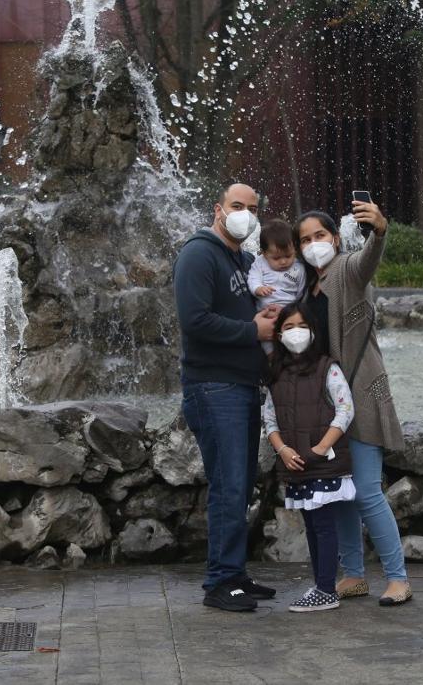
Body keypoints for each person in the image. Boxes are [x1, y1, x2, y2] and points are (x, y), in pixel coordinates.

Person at [295, 202, 412, 606]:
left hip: (359, 394)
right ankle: (355, 574)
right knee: (340, 490)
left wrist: (380, 231)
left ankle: (397, 577)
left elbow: (368, 261)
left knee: (365, 490)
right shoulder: (305, 286)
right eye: (305, 240)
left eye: (320, 236)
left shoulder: (347, 269)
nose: (314, 245)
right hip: (325, 405)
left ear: (335, 237)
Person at [173, 183, 280, 612]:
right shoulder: (199, 254)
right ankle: (220, 581)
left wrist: (267, 318)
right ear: (219, 209)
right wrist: (253, 331)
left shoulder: (246, 261)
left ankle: (234, 573)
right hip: (213, 386)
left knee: (239, 485)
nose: (246, 215)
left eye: (253, 208)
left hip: (239, 386)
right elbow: (194, 320)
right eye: (238, 206)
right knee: (228, 484)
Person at [262, 301, 356, 613]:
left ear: (313, 331)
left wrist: (320, 448)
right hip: (294, 461)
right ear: (278, 335)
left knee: (324, 525)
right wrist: (282, 449)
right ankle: (321, 583)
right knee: (312, 525)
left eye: (302, 326)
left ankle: (327, 589)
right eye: (288, 327)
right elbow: (270, 419)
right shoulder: (276, 372)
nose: (296, 333)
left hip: (323, 460)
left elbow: (345, 408)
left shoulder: (327, 367)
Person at [248, 218, 306, 352]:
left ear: (295, 250)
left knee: (292, 343)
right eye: (276, 258)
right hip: (266, 314)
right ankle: (271, 360)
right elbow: (252, 278)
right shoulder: (260, 263)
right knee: (268, 345)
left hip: (289, 313)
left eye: (288, 256)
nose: (283, 262)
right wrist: (258, 288)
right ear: (264, 253)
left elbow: (300, 293)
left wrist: (292, 309)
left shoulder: (299, 268)